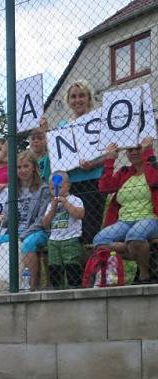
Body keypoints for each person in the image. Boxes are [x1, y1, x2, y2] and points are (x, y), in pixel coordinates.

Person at [42, 80, 104, 244]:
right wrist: (46, 132)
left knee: (91, 228)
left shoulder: (98, 120)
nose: (78, 100)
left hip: (93, 181)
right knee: (71, 229)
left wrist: (94, 164)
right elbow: (56, 154)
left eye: (82, 95)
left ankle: (91, 266)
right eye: (73, 96)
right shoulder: (63, 126)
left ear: (89, 98)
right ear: (68, 101)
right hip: (71, 185)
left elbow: (109, 153)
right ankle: (76, 266)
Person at [92, 137, 158, 284]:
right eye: (130, 149)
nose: (134, 152)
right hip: (124, 221)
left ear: (145, 149)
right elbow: (105, 187)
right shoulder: (124, 172)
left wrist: (148, 152)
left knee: (135, 236)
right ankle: (139, 252)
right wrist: (110, 161)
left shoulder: (153, 167)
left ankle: (144, 275)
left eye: (138, 148)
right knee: (99, 241)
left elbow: (154, 180)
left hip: (150, 218)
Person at [0, 151, 50, 290]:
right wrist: (3, 218)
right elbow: (7, 217)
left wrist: (22, 236)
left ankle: (31, 287)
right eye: (19, 167)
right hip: (14, 233)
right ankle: (1, 285)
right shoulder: (13, 190)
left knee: (28, 243)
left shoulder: (44, 189)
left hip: (38, 232)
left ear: (33, 167)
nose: (22, 170)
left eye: (26, 166)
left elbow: (41, 220)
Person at [42, 171, 85, 288]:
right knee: (54, 267)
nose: (55, 191)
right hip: (54, 240)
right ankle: (57, 289)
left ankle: (75, 288)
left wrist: (65, 203)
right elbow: (45, 224)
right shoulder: (51, 205)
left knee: (72, 265)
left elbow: (80, 214)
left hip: (71, 238)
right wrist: (53, 208)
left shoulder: (74, 200)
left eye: (59, 187)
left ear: (68, 186)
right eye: (52, 189)